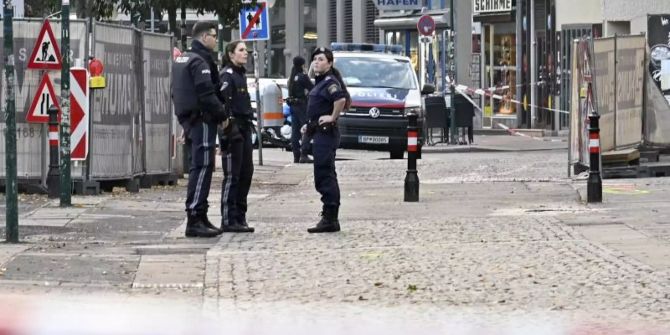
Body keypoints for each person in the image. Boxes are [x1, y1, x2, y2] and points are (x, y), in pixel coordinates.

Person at [172, 22, 228, 238]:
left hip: (190, 120)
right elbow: (206, 94)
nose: (216, 40)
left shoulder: (183, 59)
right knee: (203, 167)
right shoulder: (199, 61)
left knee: (200, 166)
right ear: (204, 37)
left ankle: (200, 215)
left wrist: (184, 122)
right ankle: (195, 217)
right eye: (214, 36)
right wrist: (223, 117)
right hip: (202, 119)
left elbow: (176, 92)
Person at [305, 47, 350, 233]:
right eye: (314, 59)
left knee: (325, 175)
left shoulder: (330, 81)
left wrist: (332, 117)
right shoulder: (321, 81)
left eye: (321, 59)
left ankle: (330, 217)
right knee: (322, 174)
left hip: (326, 133)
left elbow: (340, 99)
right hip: (318, 132)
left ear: (330, 63)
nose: (316, 62)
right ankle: (329, 216)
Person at [218, 41, 255, 233]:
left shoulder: (241, 74)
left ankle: (240, 217)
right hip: (233, 129)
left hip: (245, 127)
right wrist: (227, 128)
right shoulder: (227, 75)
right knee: (233, 175)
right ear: (231, 55)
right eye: (241, 50)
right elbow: (222, 102)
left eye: (246, 50)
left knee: (246, 173)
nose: (245, 53)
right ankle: (228, 218)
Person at [287, 56, 315, 163]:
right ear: (303, 65)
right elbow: (312, 89)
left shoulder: (291, 77)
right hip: (302, 106)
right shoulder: (302, 76)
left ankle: (296, 155)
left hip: (293, 106)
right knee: (307, 128)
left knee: (295, 131)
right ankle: (304, 154)